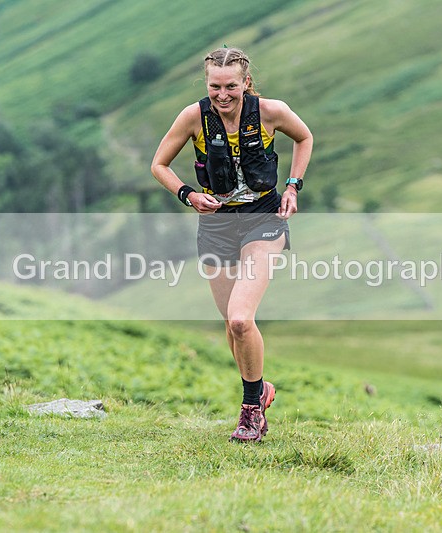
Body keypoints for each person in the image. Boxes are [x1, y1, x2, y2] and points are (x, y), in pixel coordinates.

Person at [151, 47, 313, 442]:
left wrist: (293, 185)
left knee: (241, 318)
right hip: (216, 226)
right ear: (206, 84)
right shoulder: (193, 117)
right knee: (233, 327)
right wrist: (187, 194)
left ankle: (250, 411)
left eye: (231, 87)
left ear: (246, 83)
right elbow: (159, 165)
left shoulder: (271, 111)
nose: (223, 95)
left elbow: (304, 137)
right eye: (215, 87)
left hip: (264, 219)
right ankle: (261, 387)